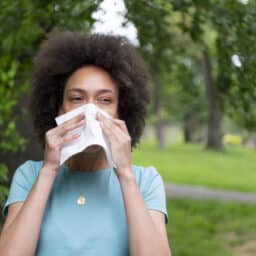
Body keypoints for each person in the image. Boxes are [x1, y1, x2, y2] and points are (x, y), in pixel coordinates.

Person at [0, 31, 171, 255]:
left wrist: (125, 173)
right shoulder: (30, 175)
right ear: (58, 108)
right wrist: (49, 169)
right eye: (77, 98)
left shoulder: (145, 181)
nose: (90, 110)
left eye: (105, 100)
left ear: (121, 111)